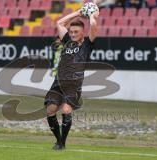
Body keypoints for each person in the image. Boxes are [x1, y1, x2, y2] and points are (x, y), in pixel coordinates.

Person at [44, 2, 99, 150]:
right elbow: (60, 23)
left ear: (82, 33)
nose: (73, 34)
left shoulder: (87, 45)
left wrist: (92, 16)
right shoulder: (67, 41)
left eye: (76, 32)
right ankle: (59, 141)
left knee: (66, 110)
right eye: (72, 31)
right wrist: (78, 13)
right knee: (50, 110)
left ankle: (62, 143)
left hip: (73, 85)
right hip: (58, 82)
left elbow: (93, 27)